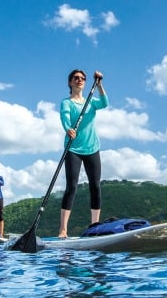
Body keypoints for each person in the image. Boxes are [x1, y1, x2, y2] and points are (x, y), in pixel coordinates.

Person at [58, 69, 109, 238]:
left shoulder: (91, 102)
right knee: (71, 187)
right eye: (76, 78)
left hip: (92, 148)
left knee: (95, 186)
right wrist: (68, 129)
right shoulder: (66, 102)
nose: (79, 80)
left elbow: (105, 102)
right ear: (70, 82)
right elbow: (65, 118)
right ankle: (63, 230)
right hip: (73, 148)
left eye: (82, 78)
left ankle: (95, 226)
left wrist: (100, 85)